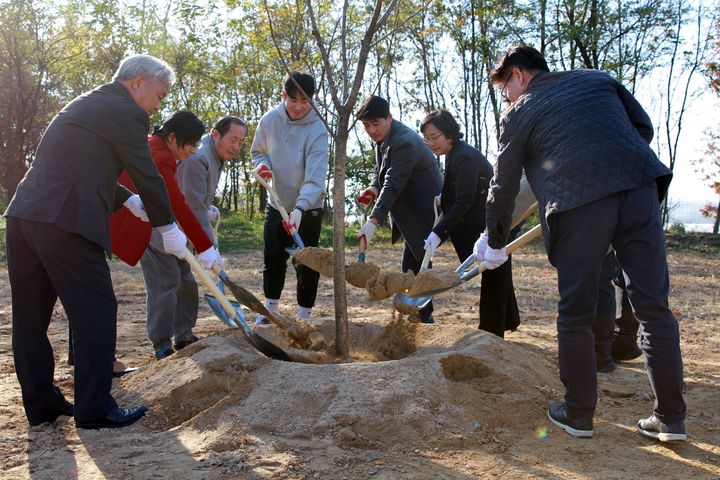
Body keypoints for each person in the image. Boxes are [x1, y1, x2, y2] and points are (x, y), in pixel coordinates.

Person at [476, 45, 686, 442]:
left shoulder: (519, 112)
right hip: (640, 189)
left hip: (577, 205)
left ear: (518, 75)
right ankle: (671, 419)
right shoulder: (598, 79)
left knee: (575, 312)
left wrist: (493, 240)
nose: (506, 97)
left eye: (505, 88)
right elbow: (642, 129)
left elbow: (502, 186)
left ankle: (578, 413)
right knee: (654, 308)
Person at [4, 54, 189, 429]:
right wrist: (167, 226)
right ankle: (95, 407)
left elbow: (79, 165)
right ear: (138, 82)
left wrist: (126, 200)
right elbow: (147, 172)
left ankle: (41, 403)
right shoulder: (127, 113)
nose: (159, 103)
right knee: (97, 312)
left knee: (30, 318)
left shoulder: (86, 103)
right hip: (65, 223)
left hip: (24, 216)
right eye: (159, 94)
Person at [110, 111, 228, 359]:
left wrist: (203, 246)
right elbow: (177, 203)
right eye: (191, 144)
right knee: (166, 282)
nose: (194, 150)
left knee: (185, 278)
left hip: (161, 221)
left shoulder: (164, 152)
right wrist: (205, 246)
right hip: (141, 224)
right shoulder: (158, 155)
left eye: (197, 144)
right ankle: (161, 342)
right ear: (173, 137)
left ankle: (184, 334)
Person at [419, 109, 521, 336]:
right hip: (482, 223)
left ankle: (491, 333)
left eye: (435, 137)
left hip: (489, 224)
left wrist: (438, 232)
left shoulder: (463, 156)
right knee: (499, 272)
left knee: (494, 275)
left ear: (449, 133)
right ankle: (508, 320)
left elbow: (463, 202)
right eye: (427, 139)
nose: (431, 143)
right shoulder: (455, 154)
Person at [355, 95, 442, 323]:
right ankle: (420, 316)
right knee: (411, 266)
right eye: (366, 126)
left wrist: (373, 221)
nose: (372, 131)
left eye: (376, 124)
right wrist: (372, 190)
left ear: (389, 118)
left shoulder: (403, 141)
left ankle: (424, 318)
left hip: (425, 209)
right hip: (408, 210)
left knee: (418, 266)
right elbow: (380, 173)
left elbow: (393, 183)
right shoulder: (383, 139)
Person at [251, 72, 329, 324]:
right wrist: (263, 167)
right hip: (277, 203)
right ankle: (270, 311)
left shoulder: (318, 129)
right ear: (283, 95)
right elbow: (258, 152)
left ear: (312, 100)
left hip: (308, 208)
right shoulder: (269, 121)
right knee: (273, 258)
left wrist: (300, 209)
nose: (298, 106)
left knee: (307, 264)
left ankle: (304, 316)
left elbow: (316, 177)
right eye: (292, 99)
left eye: (304, 101)